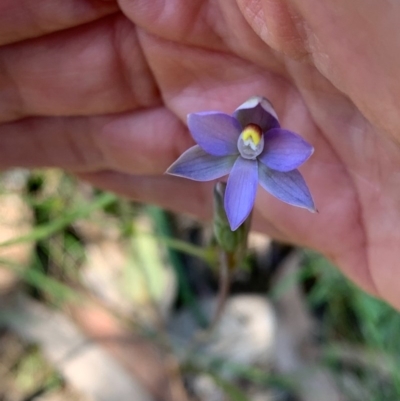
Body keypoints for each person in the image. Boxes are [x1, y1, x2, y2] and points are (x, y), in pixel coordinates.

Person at [1, 0, 399, 309]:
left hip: (263, 179)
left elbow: (296, 159)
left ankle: (228, 263)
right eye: (248, 132)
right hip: (238, 176)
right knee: (222, 214)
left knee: (233, 223)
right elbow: (200, 147)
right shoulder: (217, 145)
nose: (251, 138)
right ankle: (224, 269)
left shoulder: (284, 154)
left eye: (256, 134)